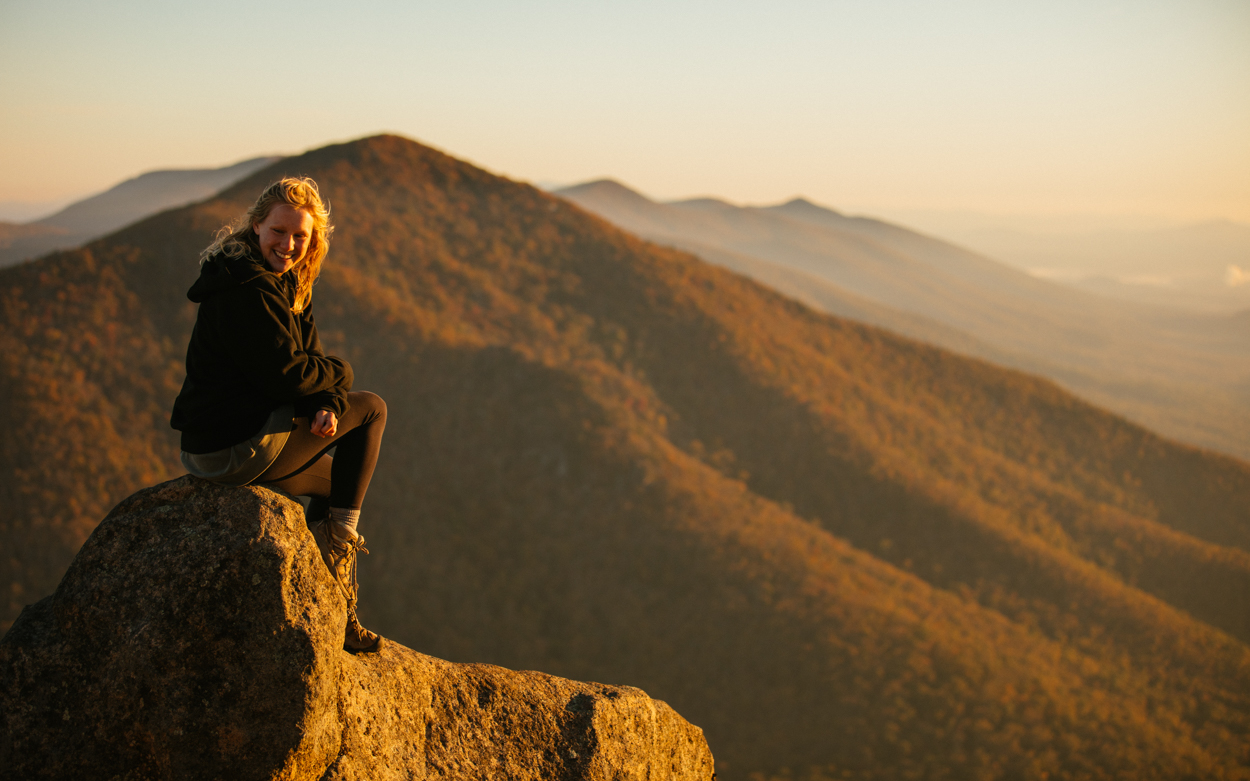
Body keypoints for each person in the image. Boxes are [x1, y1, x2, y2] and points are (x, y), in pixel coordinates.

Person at [170, 177, 386, 654]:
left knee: (338, 482)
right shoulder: (246, 288)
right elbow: (289, 374)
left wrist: (325, 403)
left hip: (226, 441)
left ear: (313, 241)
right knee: (370, 409)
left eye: (299, 236)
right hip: (231, 449)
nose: (287, 244)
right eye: (278, 231)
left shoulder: (284, 283)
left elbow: (305, 359)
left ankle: (337, 607)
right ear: (256, 226)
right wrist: (341, 377)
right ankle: (339, 558)